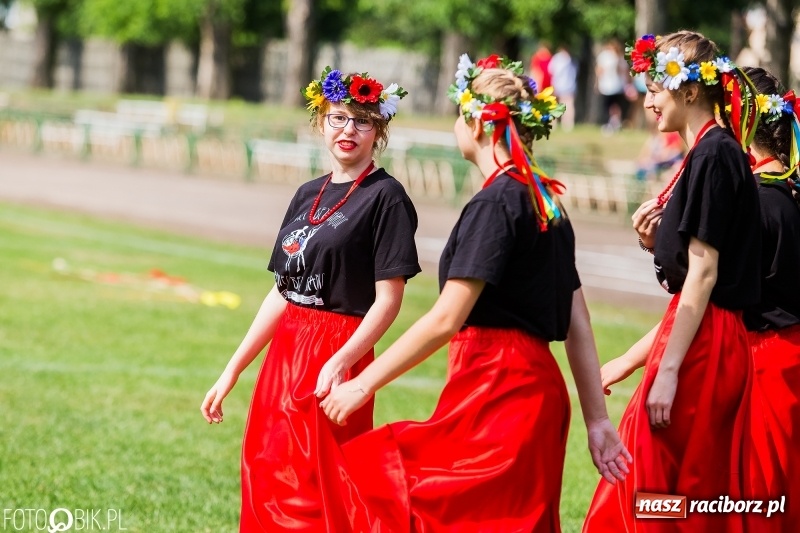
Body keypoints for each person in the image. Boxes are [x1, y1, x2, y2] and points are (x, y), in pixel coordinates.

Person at [319, 53, 631, 532]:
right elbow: (578, 322)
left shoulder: (498, 202)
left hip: (499, 387)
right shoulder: (544, 200)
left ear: (478, 123)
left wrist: (365, 381)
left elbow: (446, 318)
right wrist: (596, 420)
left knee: (405, 494)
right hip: (531, 392)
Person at [199, 67, 420, 532]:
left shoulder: (386, 198)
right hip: (286, 350)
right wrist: (232, 369)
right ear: (320, 123)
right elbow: (283, 291)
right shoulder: (307, 194)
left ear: (378, 130)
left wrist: (342, 360)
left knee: (317, 490)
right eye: (338, 118)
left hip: (338, 351)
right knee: (266, 472)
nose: (348, 130)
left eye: (362, 121)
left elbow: (388, 301)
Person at [585, 31, 762, 532]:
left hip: (707, 336)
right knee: (659, 479)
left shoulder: (714, 153)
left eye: (656, 87)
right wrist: (654, 241)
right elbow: (695, 266)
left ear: (689, 91)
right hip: (698, 327)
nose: (648, 99)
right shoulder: (705, 152)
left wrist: (668, 371)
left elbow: (706, 272)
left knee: (667, 487)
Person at [739, 66, 800, 533]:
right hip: (789, 356)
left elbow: (711, 295)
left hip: (764, 361)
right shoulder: (791, 191)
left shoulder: (757, 203)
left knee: (760, 498)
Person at [595, 39, 629, 134]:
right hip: (616, 86)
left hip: (609, 87)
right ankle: (615, 122)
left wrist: (597, 83)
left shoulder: (606, 56)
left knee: (610, 106)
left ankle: (613, 123)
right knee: (615, 106)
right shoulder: (620, 57)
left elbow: (599, 71)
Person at [549, 43, 578, 131]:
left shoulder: (557, 58)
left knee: (555, 104)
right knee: (568, 105)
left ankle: (553, 123)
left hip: (559, 84)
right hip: (568, 85)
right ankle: (568, 124)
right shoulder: (571, 59)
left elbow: (551, 70)